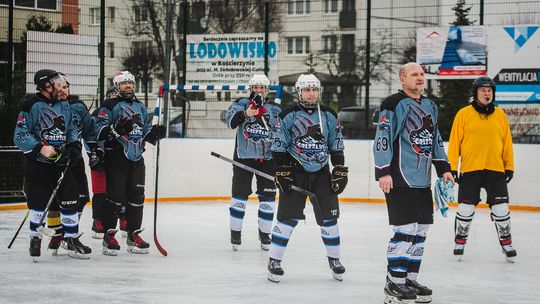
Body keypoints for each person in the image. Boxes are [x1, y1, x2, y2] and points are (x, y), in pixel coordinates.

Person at [373, 62, 454, 304]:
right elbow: (383, 138)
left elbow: (435, 138)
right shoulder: (393, 103)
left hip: (422, 180)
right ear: (402, 79)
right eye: (414, 75)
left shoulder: (429, 105)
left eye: (421, 74)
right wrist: (383, 171)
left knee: (421, 230)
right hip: (399, 178)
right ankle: (394, 282)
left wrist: (444, 169)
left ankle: (409, 278)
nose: (420, 78)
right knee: (406, 230)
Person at [267, 74, 348, 283]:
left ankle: (335, 260)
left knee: (330, 219)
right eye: (307, 89)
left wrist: (339, 168)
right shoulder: (288, 115)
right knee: (288, 218)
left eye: (314, 89)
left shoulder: (329, 115)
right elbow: (278, 146)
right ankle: (274, 260)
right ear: (299, 92)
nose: (311, 93)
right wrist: (282, 171)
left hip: (322, 173)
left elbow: (336, 144)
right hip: (296, 172)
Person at [13, 69, 92, 260]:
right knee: (39, 203)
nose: (60, 85)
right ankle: (35, 237)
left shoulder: (63, 104)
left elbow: (71, 129)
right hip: (38, 164)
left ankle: (70, 238)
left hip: (60, 163)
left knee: (71, 198)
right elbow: (20, 135)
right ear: (46, 86)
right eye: (55, 82)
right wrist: (40, 148)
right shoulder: (31, 105)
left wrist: (73, 146)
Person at [95, 71, 165, 256]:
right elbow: (99, 129)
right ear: (117, 86)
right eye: (124, 83)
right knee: (115, 197)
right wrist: (114, 130)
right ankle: (109, 236)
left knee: (137, 197)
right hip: (116, 157)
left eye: (131, 83)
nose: (128, 86)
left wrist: (153, 134)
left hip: (136, 158)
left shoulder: (140, 106)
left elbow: (145, 128)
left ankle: (133, 234)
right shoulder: (109, 105)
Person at [448, 76, 517, 263]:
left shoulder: (500, 115)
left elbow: (506, 143)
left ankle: (507, 243)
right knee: (465, 208)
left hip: (496, 170)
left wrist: (509, 166)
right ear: (475, 93)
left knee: (501, 209)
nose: (487, 93)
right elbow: (455, 142)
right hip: (471, 170)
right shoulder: (463, 114)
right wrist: (453, 167)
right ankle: (460, 241)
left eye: (490, 90)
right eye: (483, 90)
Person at [224, 74, 281, 251]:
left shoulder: (275, 109)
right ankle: (235, 233)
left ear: (267, 90)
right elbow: (230, 123)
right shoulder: (240, 103)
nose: (259, 91)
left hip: (268, 160)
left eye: (262, 88)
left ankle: (265, 235)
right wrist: (245, 113)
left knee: (268, 199)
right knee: (239, 196)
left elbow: (282, 133)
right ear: (250, 89)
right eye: (255, 87)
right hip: (244, 157)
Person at [90, 86, 118, 239]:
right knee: (100, 191)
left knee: (117, 191)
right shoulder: (97, 113)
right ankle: (97, 220)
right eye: (111, 95)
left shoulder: (123, 112)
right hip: (100, 157)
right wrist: (94, 153)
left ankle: (122, 219)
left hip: (116, 159)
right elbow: (91, 135)